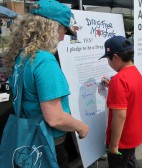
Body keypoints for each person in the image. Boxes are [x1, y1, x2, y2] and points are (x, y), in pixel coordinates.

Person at [3, 1, 89, 167]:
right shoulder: (44, 61)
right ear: (51, 27)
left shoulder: (23, 57)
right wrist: (81, 126)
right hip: (48, 143)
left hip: (28, 137)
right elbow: (55, 118)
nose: (63, 37)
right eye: (64, 30)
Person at [100, 36, 142, 168]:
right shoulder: (136, 72)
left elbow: (119, 115)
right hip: (133, 133)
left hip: (122, 139)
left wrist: (114, 145)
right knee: (130, 162)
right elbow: (129, 94)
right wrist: (112, 86)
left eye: (108, 58)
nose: (108, 62)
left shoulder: (119, 80)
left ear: (115, 57)